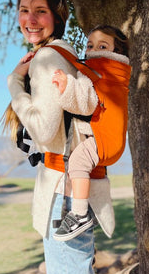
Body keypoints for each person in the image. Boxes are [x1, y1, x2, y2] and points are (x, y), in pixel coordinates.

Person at [3, 0, 115, 274]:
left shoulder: (47, 60)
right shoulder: (64, 54)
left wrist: (14, 86)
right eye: (24, 10)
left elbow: (45, 127)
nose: (30, 19)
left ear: (58, 15)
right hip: (74, 184)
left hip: (65, 191)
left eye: (41, 10)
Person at [51, 25, 130, 241]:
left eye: (102, 46)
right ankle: (82, 212)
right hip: (114, 142)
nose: (94, 50)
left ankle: (79, 213)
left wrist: (66, 87)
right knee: (81, 163)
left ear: (116, 53)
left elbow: (84, 104)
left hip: (104, 141)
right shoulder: (118, 77)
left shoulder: (97, 75)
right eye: (90, 45)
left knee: (77, 161)